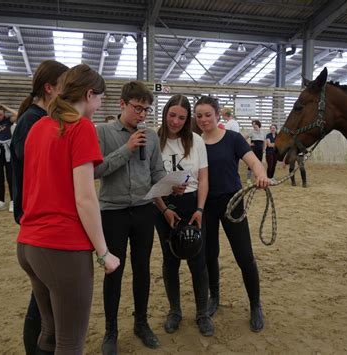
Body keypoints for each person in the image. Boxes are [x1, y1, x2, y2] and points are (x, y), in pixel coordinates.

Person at [16, 64, 120, 354]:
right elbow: (85, 198)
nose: (99, 106)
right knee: (70, 343)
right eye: (99, 98)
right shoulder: (80, 127)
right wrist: (103, 253)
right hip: (61, 246)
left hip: (29, 244)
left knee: (50, 334)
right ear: (89, 94)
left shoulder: (38, 126)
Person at [94, 81, 166, 352]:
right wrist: (128, 148)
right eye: (138, 108)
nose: (142, 114)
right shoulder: (102, 132)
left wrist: (171, 184)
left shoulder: (151, 137)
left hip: (144, 210)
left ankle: (141, 323)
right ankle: (111, 331)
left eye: (147, 109)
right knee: (114, 271)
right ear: (122, 104)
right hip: (112, 211)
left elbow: (156, 172)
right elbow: (96, 170)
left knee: (142, 269)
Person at [194, 96, 270, 333]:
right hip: (204, 205)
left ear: (218, 115)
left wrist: (260, 174)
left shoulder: (233, 139)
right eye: (199, 116)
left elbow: (255, 162)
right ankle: (214, 297)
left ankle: (255, 304)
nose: (204, 119)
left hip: (232, 203)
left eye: (208, 114)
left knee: (244, 256)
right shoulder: (194, 143)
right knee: (209, 254)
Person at [11, 59, 69, 355]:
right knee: (43, 295)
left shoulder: (35, 118)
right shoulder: (33, 121)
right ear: (49, 88)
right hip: (38, 218)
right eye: (64, 87)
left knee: (44, 293)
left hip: (36, 216)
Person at [153, 94, 213, 336]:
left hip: (191, 204)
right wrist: (165, 208)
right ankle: (175, 311)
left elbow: (204, 178)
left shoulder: (196, 141)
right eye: (171, 115)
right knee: (170, 259)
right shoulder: (154, 140)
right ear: (165, 112)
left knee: (198, 260)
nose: (175, 122)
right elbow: (149, 180)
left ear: (188, 119)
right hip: (163, 205)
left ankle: (202, 313)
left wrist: (199, 209)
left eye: (181, 117)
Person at [245, 119, 266, 185]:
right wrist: (249, 144)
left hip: (260, 151)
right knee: (251, 163)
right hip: (253, 150)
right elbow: (244, 138)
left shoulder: (263, 132)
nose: (254, 126)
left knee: (259, 164)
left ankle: (257, 177)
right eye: (253, 125)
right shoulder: (251, 132)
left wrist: (264, 149)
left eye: (255, 124)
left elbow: (264, 142)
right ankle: (248, 178)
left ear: (258, 124)